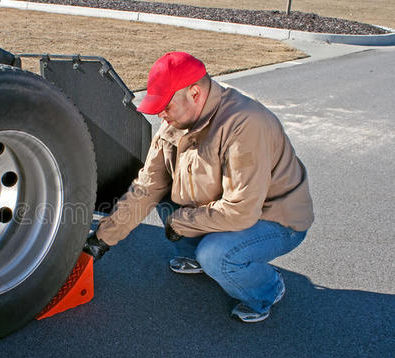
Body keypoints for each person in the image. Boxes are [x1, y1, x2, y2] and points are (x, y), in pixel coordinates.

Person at [84, 52, 313, 322]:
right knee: (162, 195)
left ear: (194, 94)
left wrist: (181, 222)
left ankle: (267, 288)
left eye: (166, 106)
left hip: (274, 218)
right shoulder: (174, 123)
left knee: (216, 255)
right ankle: (197, 257)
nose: (161, 114)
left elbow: (241, 211)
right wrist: (101, 239)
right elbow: (146, 189)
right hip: (220, 205)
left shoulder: (245, 125)